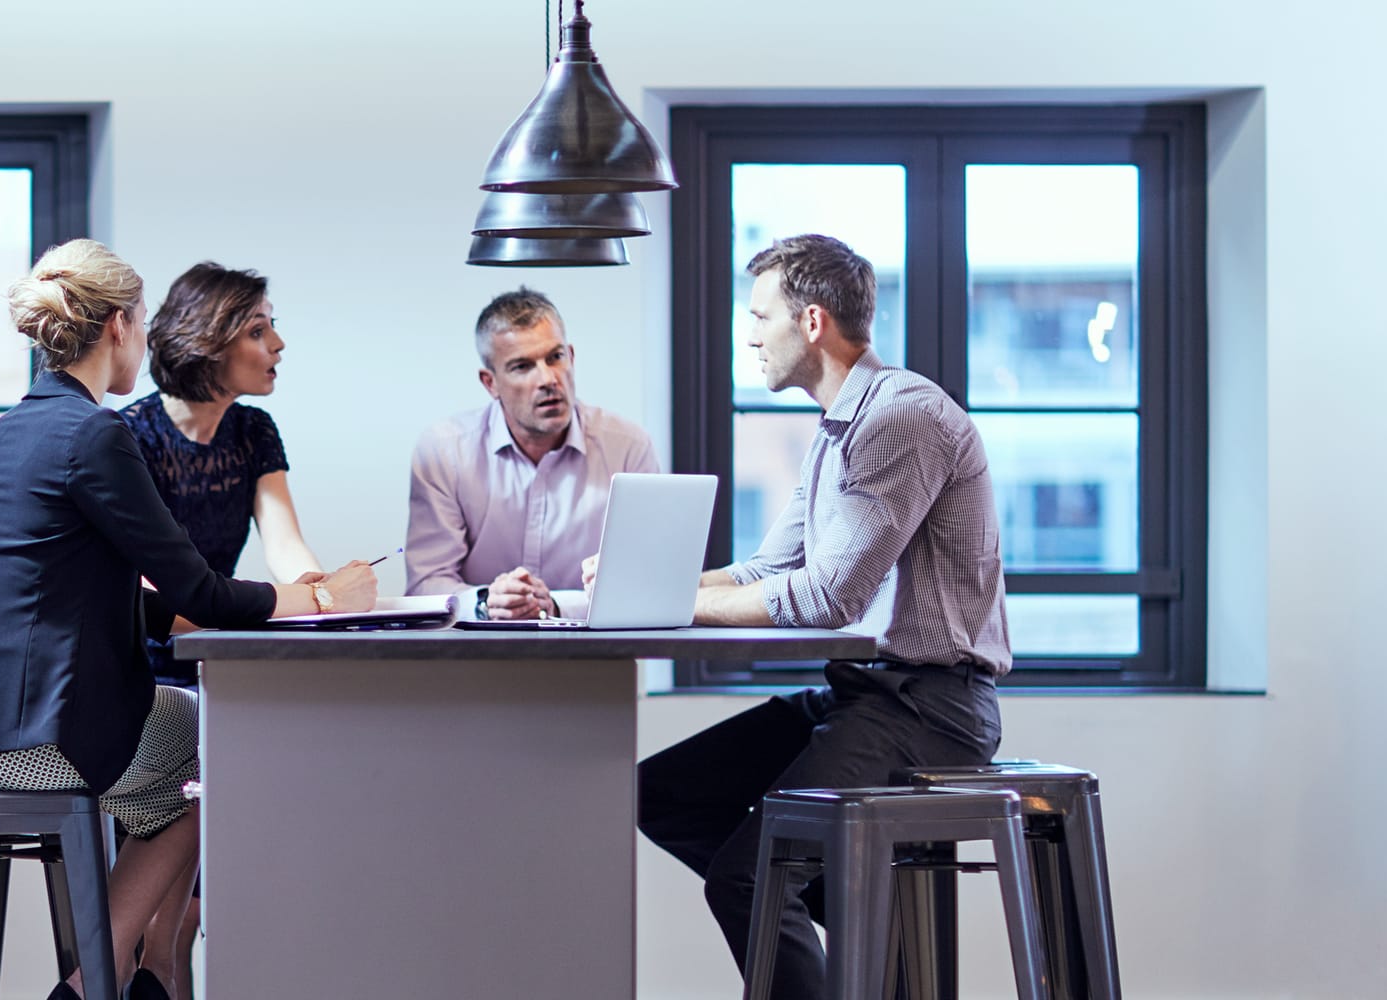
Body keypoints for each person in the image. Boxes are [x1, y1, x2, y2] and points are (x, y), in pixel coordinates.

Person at [0, 239, 379, 1000]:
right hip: (34, 744)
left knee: (176, 764)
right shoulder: (99, 435)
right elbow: (201, 592)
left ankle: (125, 968)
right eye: (141, 319)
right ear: (119, 325)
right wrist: (322, 598)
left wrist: (213, 608)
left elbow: (85, 589)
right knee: (217, 744)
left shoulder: (7, 433)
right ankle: (100, 977)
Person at [606, 234, 1011, 1000]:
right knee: (663, 795)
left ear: (813, 321)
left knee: (750, 879)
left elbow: (828, 598)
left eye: (760, 316)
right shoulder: (837, 431)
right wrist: (639, 585)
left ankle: (850, 919)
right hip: (867, 696)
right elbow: (770, 571)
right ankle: (881, 928)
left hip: (931, 708)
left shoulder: (899, 420)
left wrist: (667, 604)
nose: (749, 334)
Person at [120, 262, 326, 677]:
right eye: (257, 331)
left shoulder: (254, 429)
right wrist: (307, 601)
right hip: (138, 658)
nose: (278, 343)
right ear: (207, 343)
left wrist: (321, 593)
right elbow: (136, 584)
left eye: (272, 325)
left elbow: (284, 544)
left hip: (217, 644)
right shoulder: (127, 435)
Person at [405, 287, 660, 619]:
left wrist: (554, 605)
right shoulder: (444, 452)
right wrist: (485, 602)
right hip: (472, 654)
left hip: (594, 658)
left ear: (571, 356)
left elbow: (645, 586)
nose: (548, 379)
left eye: (555, 357)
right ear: (490, 383)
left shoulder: (628, 447)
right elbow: (425, 585)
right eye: (523, 366)